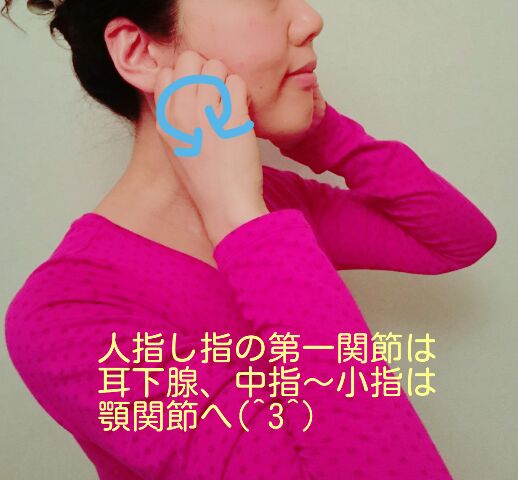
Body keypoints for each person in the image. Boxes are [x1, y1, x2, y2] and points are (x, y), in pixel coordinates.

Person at [3, 0, 497, 479]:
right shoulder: (65, 314)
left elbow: (455, 238)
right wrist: (241, 223)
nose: (310, 19)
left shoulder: (270, 201)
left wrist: (323, 138)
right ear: (140, 52)